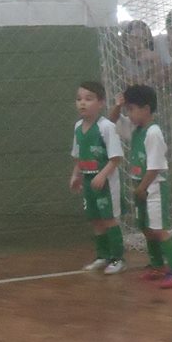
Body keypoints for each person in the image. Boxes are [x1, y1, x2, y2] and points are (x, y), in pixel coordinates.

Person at [107, 85, 172, 289]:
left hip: (153, 188)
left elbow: (155, 167)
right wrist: (118, 104)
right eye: (128, 109)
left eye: (132, 109)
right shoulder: (136, 129)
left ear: (147, 109)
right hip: (140, 186)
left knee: (159, 229)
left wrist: (142, 188)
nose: (129, 114)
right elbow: (111, 120)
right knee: (146, 228)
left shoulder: (153, 133)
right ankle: (157, 266)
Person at [68, 80, 126, 275]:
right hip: (88, 181)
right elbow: (78, 155)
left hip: (106, 182)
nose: (82, 103)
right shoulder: (78, 127)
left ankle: (118, 258)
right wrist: (75, 175)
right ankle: (103, 255)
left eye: (88, 99)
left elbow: (116, 158)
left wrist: (102, 175)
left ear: (101, 103)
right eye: (79, 99)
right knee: (95, 220)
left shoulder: (106, 127)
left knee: (109, 219)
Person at [119, 19, 161, 86]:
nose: (139, 42)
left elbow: (159, 81)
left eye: (143, 39)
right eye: (134, 37)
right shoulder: (120, 57)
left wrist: (156, 60)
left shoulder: (151, 57)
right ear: (126, 38)